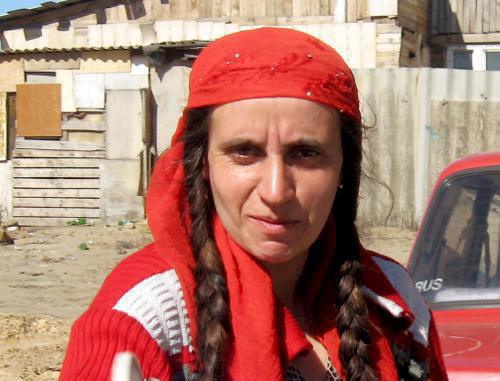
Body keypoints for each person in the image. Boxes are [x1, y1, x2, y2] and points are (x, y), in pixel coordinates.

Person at [60, 27, 447, 381]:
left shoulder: (393, 299)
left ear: (344, 166)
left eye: (306, 153)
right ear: (204, 165)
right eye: (244, 152)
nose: (276, 191)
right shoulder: (145, 320)